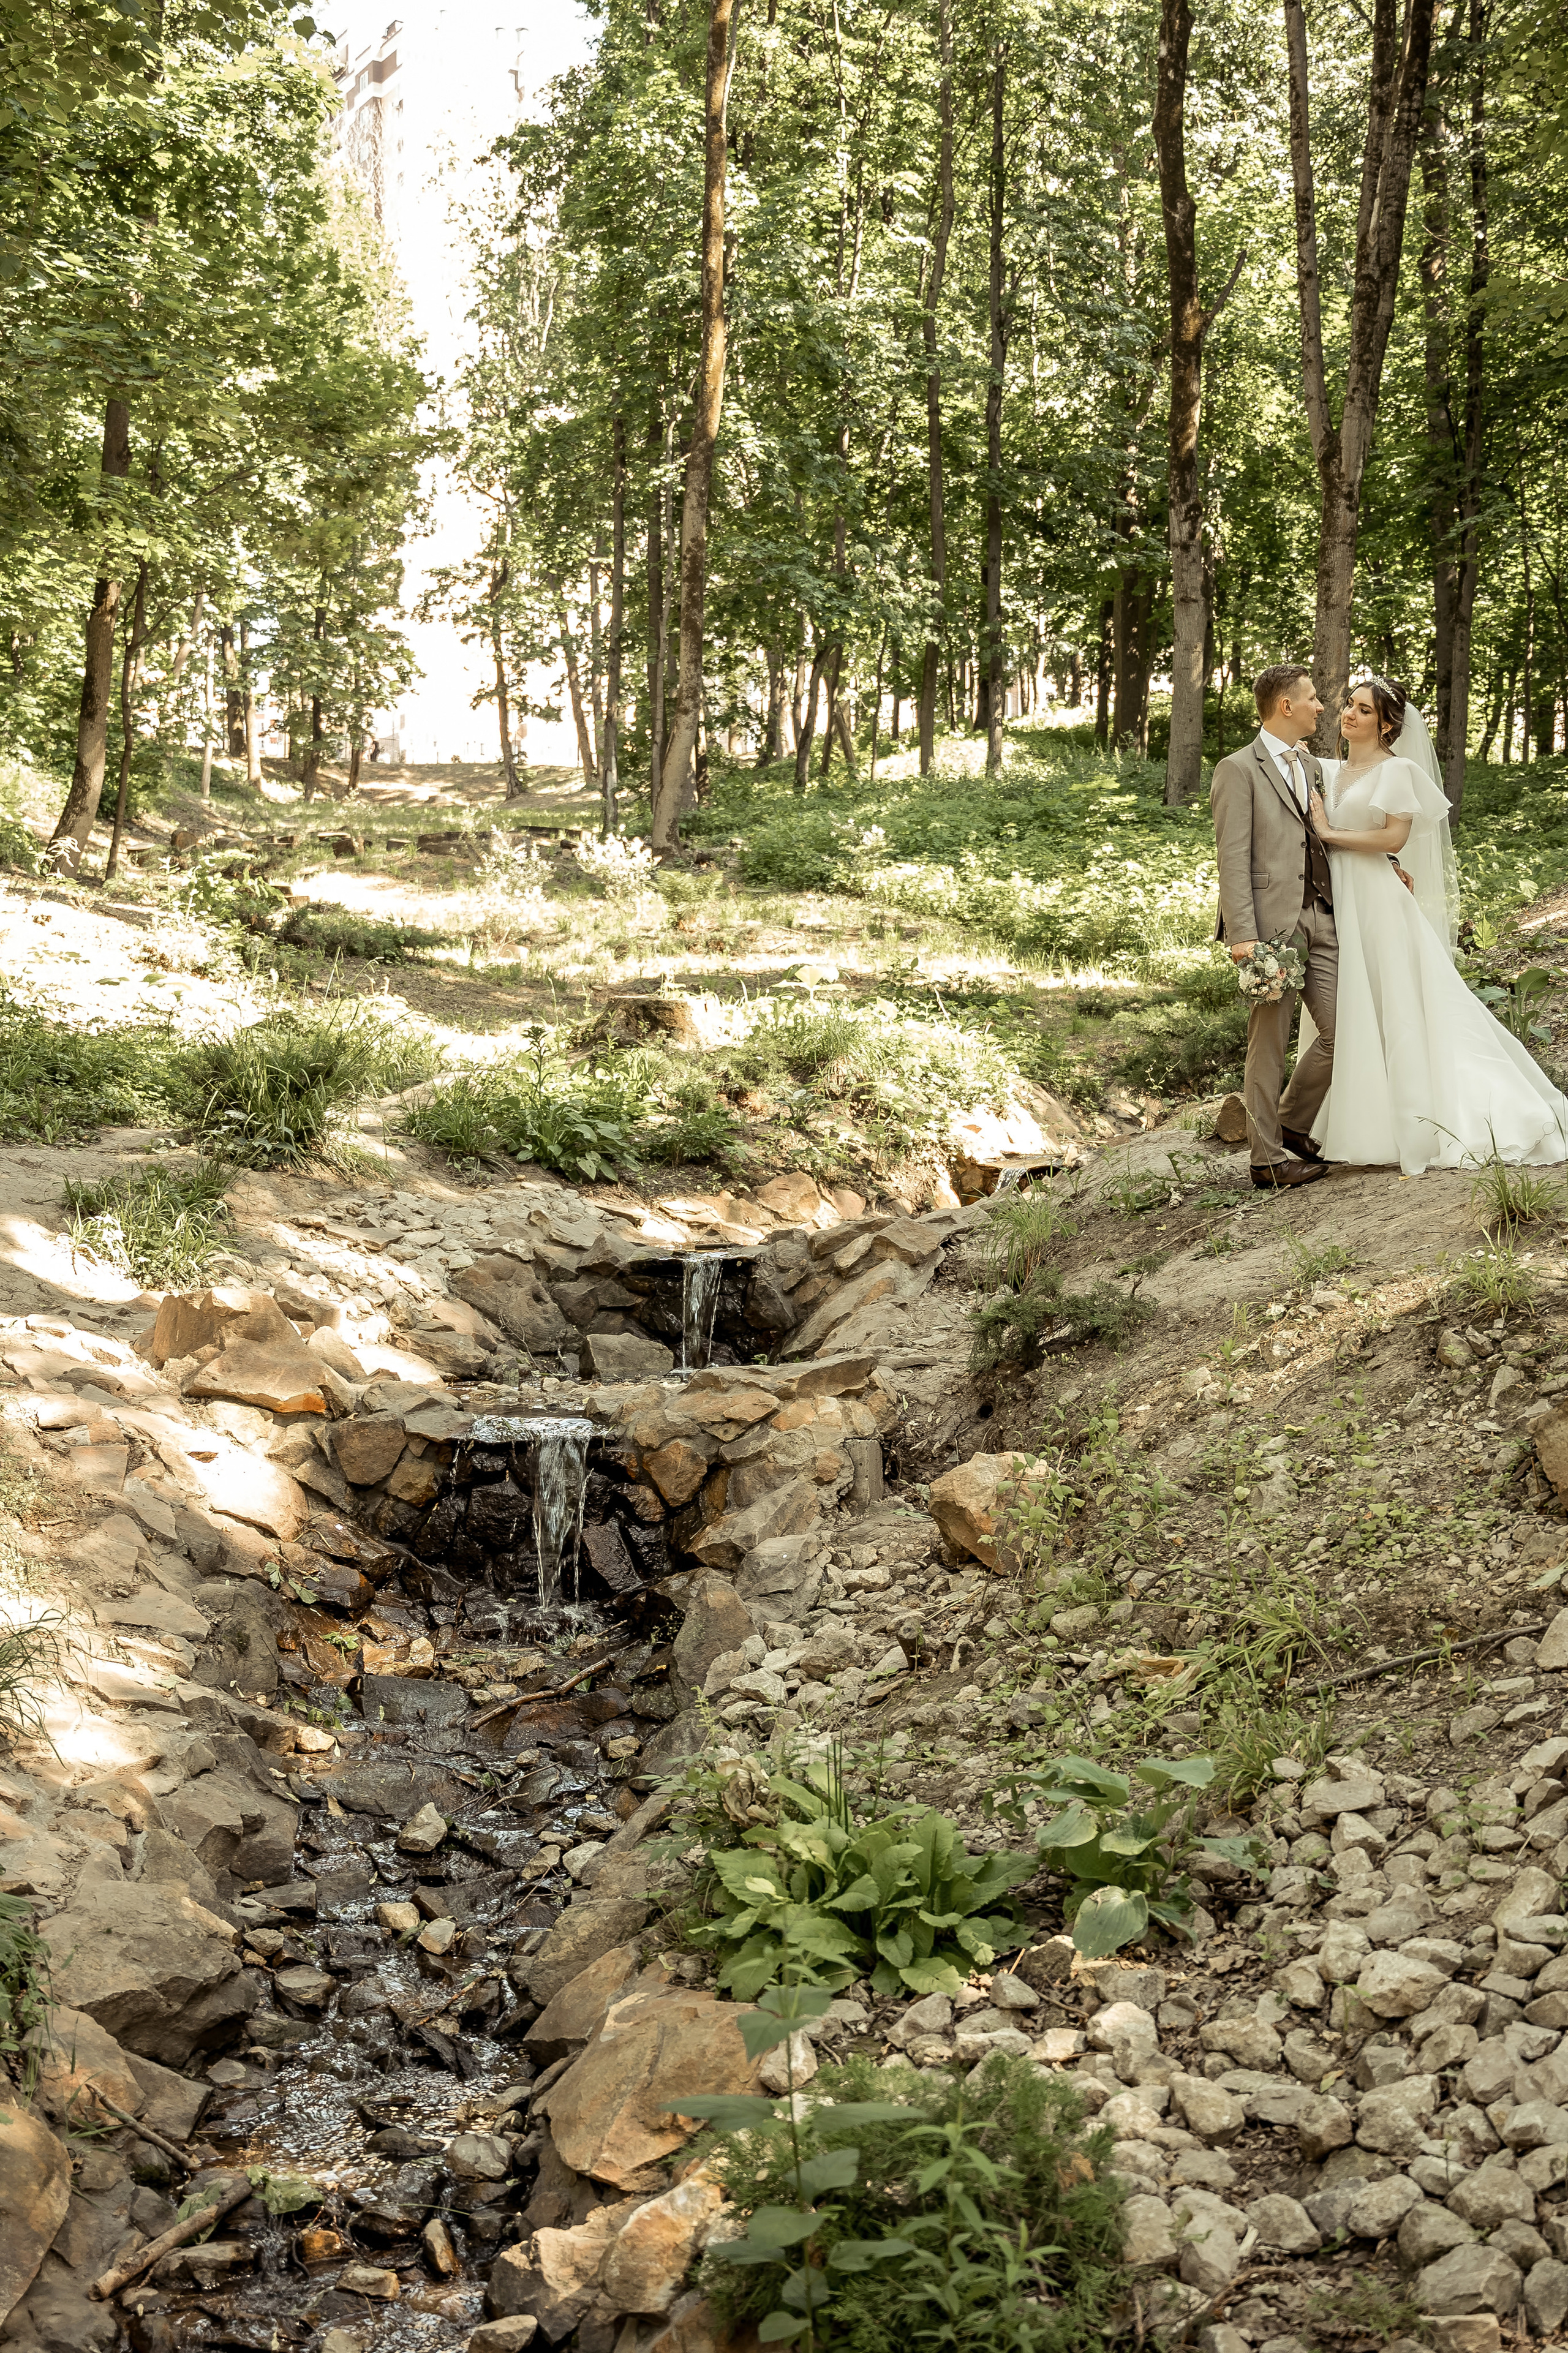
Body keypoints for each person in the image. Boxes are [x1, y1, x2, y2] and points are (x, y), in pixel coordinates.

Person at [1304, 676, 1568, 1174]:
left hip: (1378, 901)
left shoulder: (1397, 770)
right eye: (1349, 705)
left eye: (1363, 710)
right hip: (1340, 899)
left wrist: (1328, 831)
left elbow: (1393, 839)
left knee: (1399, 1002)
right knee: (1356, 1006)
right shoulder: (1329, 771)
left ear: (1386, 724)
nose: (1349, 714)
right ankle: (1357, 1121)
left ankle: (1422, 1120)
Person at [1210, 664, 1336, 1191]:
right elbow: (1232, 857)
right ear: (1286, 706)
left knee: (1341, 1030)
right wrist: (1243, 934)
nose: (1321, 706)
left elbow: (1323, 838)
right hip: (1268, 928)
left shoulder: (1310, 766)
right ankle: (1266, 1160)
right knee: (1269, 1043)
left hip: (1321, 915)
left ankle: (1290, 1121)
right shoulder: (1238, 768)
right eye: (1312, 698)